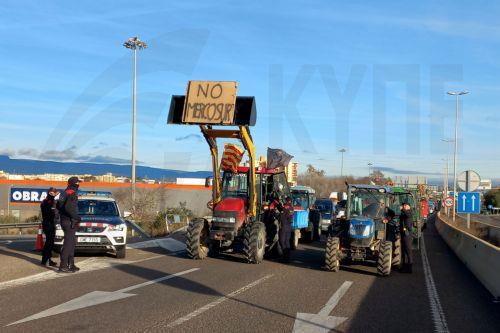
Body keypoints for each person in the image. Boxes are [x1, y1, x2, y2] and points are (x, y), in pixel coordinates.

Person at [57, 176, 81, 273]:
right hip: (69, 221)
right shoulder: (72, 193)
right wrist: (76, 217)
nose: (78, 184)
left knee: (71, 243)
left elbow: (59, 206)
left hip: (65, 220)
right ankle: (63, 265)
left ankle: (71, 264)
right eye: (77, 183)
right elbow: (69, 208)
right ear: (73, 183)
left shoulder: (64, 192)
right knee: (68, 244)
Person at [40, 187, 59, 267]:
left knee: (49, 243)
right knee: (49, 243)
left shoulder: (46, 201)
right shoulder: (48, 202)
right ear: (50, 193)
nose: (54, 194)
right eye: (53, 193)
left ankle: (46, 259)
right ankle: (46, 260)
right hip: (49, 224)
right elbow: (50, 213)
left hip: (48, 223)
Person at [277, 196, 294, 262]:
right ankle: (287, 258)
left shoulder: (286, 207)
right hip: (289, 226)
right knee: (287, 242)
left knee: (282, 241)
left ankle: (285, 257)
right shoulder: (292, 208)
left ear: (286, 201)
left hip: (284, 226)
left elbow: (281, 210)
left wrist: (278, 204)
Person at [399, 202, 413, 273]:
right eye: (403, 205)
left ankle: (409, 268)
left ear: (408, 206)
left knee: (408, 251)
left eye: (405, 205)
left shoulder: (410, 212)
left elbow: (407, 215)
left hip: (408, 234)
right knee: (403, 251)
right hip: (404, 234)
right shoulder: (404, 213)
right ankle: (403, 267)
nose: (404, 206)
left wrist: (403, 209)